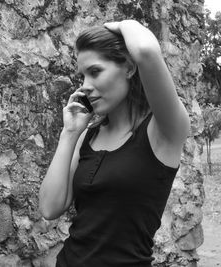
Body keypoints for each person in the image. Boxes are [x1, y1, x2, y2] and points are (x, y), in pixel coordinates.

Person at [38, 20, 190, 267]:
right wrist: (69, 133)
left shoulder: (164, 130)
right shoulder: (88, 135)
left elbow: (146, 50)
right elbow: (49, 207)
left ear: (129, 68)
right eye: (83, 75)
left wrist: (123, 23)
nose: (86, 86)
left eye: (95, 71)